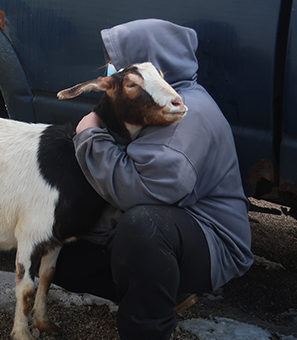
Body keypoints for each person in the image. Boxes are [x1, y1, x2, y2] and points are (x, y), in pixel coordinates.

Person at [51, 19, 253, 339]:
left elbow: (140, 192)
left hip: (213, 238)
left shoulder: (185, 115)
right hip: (179, 222)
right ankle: (164, 294)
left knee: (143, 226)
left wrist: (89, 134)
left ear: (155, 67)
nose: (113, 68)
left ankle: (147, 329)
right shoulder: (152, 104)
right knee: (56, 253)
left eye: (120, 62)